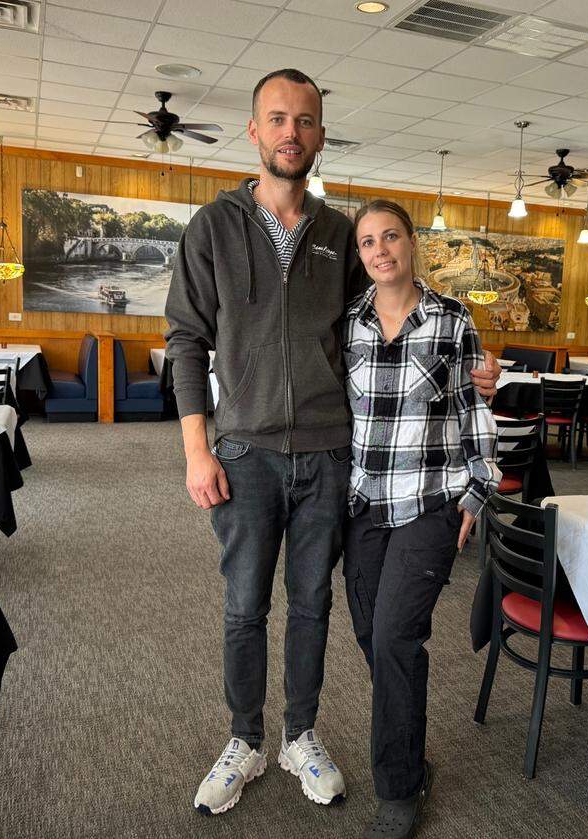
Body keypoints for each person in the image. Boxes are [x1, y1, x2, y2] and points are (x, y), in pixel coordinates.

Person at [164, 68, 501, 818]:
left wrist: (473, 367)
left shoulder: (337, 233)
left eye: (306, 121)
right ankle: (244, 737)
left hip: (329, 458)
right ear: (254, 131)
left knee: (312, 602)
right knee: (244, 605)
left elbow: (389, 311)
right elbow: (185, 341)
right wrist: (196, 447)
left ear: (319, 135)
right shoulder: (213, 228)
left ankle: (299, 734)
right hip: (244, 453)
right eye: (278, 119)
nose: (292, 132)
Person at [342, 200, 501, 839]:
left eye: (391, 238)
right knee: (370, 633)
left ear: (414, 245)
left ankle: (400, 787)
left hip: (430, 502)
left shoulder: (452, 321)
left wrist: (479, 491)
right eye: (367, 243)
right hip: (362, 506)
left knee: (393, 639)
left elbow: (474, 411)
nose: (380, 251)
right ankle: (409, 737)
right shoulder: (346, 324)